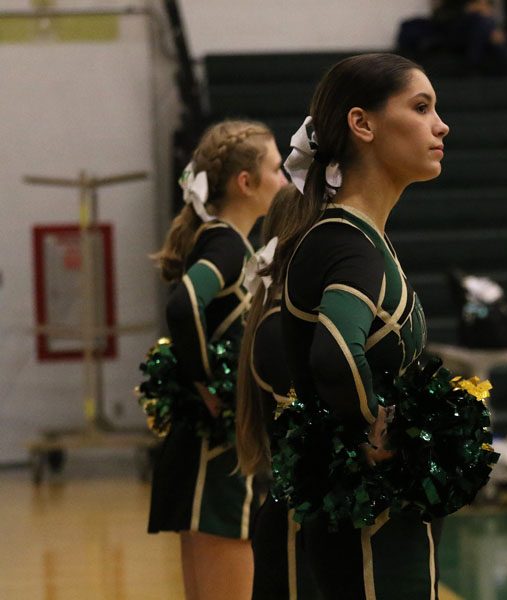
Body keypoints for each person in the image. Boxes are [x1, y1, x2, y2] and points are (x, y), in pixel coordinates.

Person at [266, 53, 449, 599]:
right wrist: (374, 427)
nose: (441, 125)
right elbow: (332, 353)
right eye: (421, 107)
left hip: (375, 515)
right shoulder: (346, 242)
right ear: (362, 124)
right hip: (367, 523)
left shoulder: (357, 237)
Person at [149, 119, 285, 600]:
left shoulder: (229, 242)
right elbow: (182, 304)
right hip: (219, 455)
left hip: (212, 451)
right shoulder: (226, 243)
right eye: (276, 169)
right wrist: (207, 381)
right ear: (245, 183)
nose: (286, 179)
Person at [236, 184, 322, 599]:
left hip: (312, 522)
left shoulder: (294, 319)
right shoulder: (276, 327)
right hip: (293, 527)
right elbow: (320, 428)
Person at [432, 0, 507, 75]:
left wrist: (495, 29)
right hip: (456, 30)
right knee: (482, 22)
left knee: (485, 25)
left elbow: (494, 15)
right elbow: (441, 15)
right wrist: (467, 9)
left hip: (485, 31)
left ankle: (474, 65)